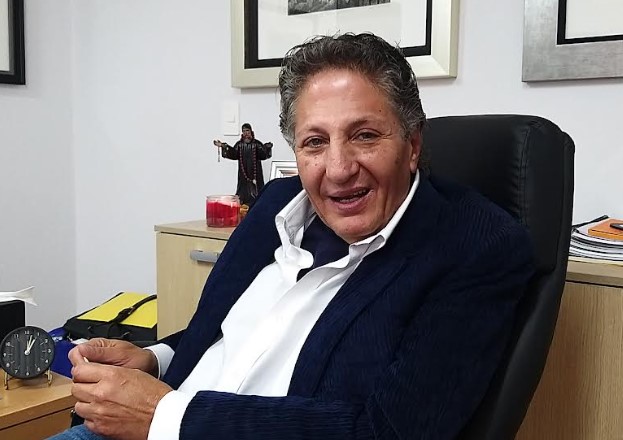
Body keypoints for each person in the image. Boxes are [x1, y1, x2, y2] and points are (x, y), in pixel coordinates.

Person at [50, 33, 533, 440]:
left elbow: (388, 431)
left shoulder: (474, 247)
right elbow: (237, 331)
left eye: (364, 135)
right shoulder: (278, 203)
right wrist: (156, 359)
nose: (338, 169)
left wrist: (164, 415)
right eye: (315, 142)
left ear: (413, 145)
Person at [213, 123, 273, 207]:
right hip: (243, 176)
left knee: (257, 194)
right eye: (244, 131)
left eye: (247, 131)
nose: (246, 134)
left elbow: (263, 154)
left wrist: (267, 147)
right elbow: (233, 153)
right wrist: (223, 146)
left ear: (251, 132)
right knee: (242, 193)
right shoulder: (239, 145)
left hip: (255, 175)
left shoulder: (257, 144)